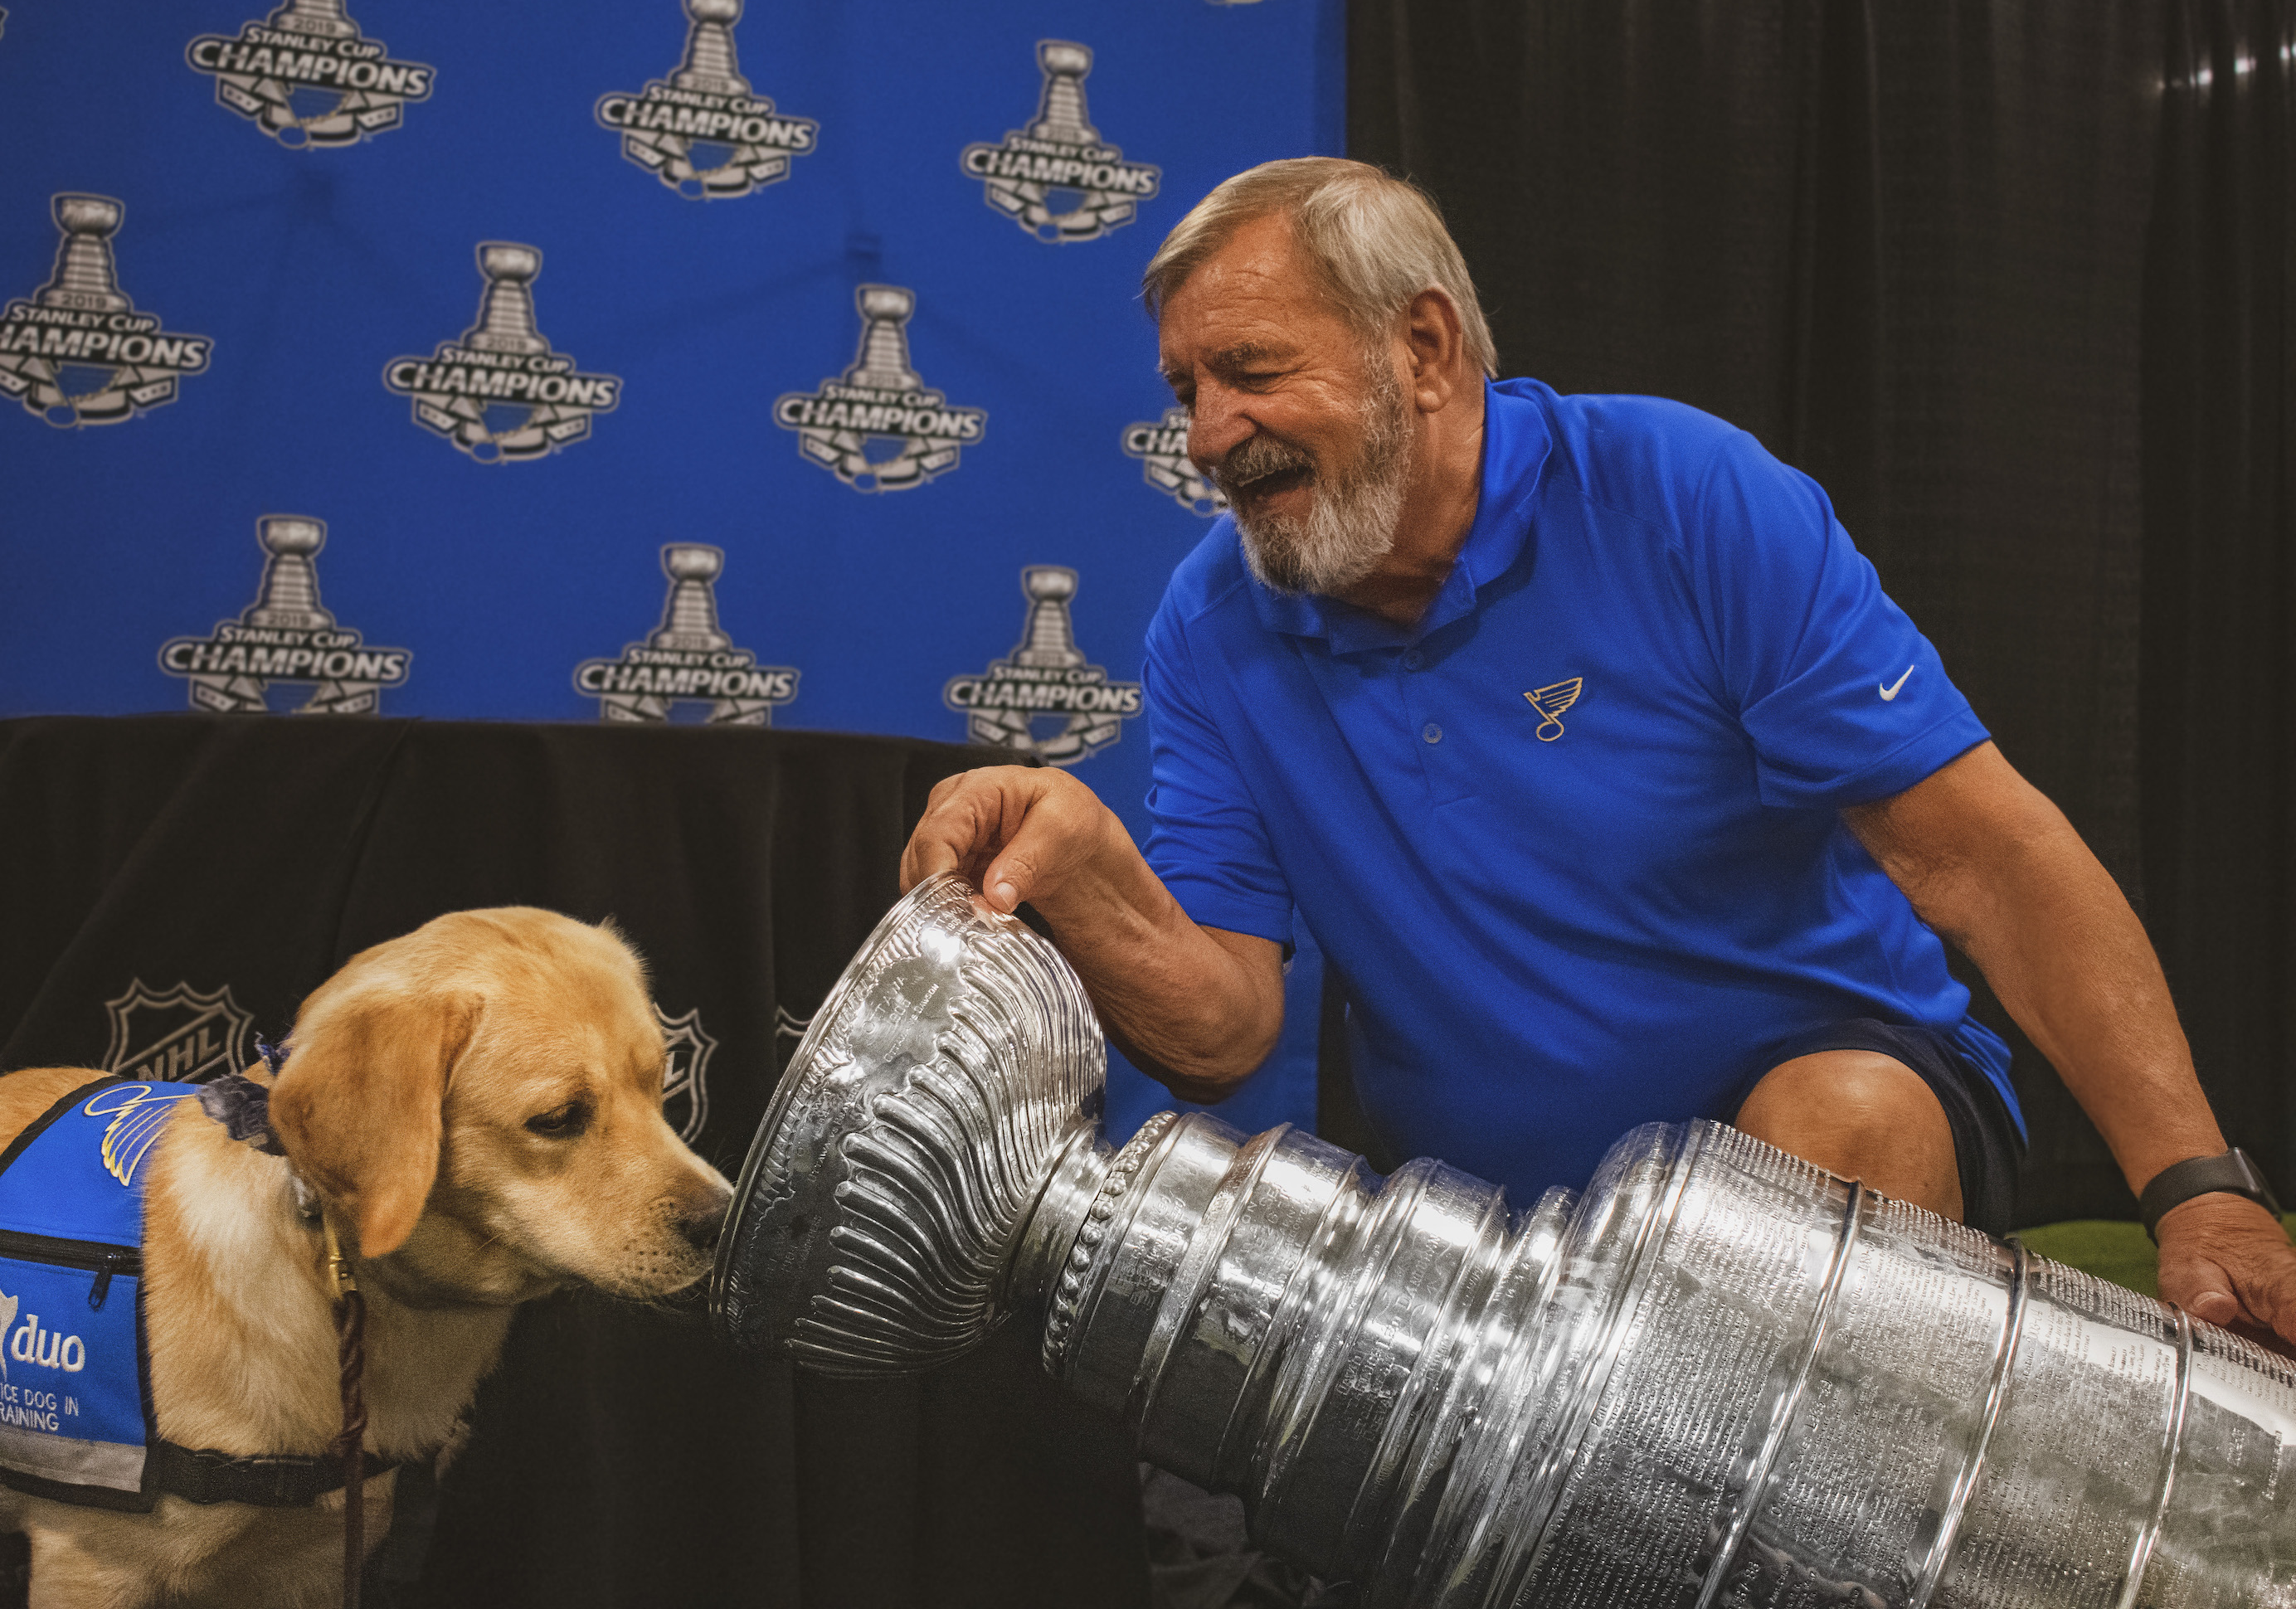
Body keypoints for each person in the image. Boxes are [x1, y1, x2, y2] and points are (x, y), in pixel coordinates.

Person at [902, 157, 2296, 1350]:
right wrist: (1089, 874)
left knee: (1839, 1112)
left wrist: (2197, 1187)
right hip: (1490, 1238)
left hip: (1843, 1118)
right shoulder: (1212, 622)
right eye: (1191, 388)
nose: (1211, 435)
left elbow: (1985, 860)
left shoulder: (1682, 495)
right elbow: (1222, 1035)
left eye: (1254, 373)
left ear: (1426, 351)